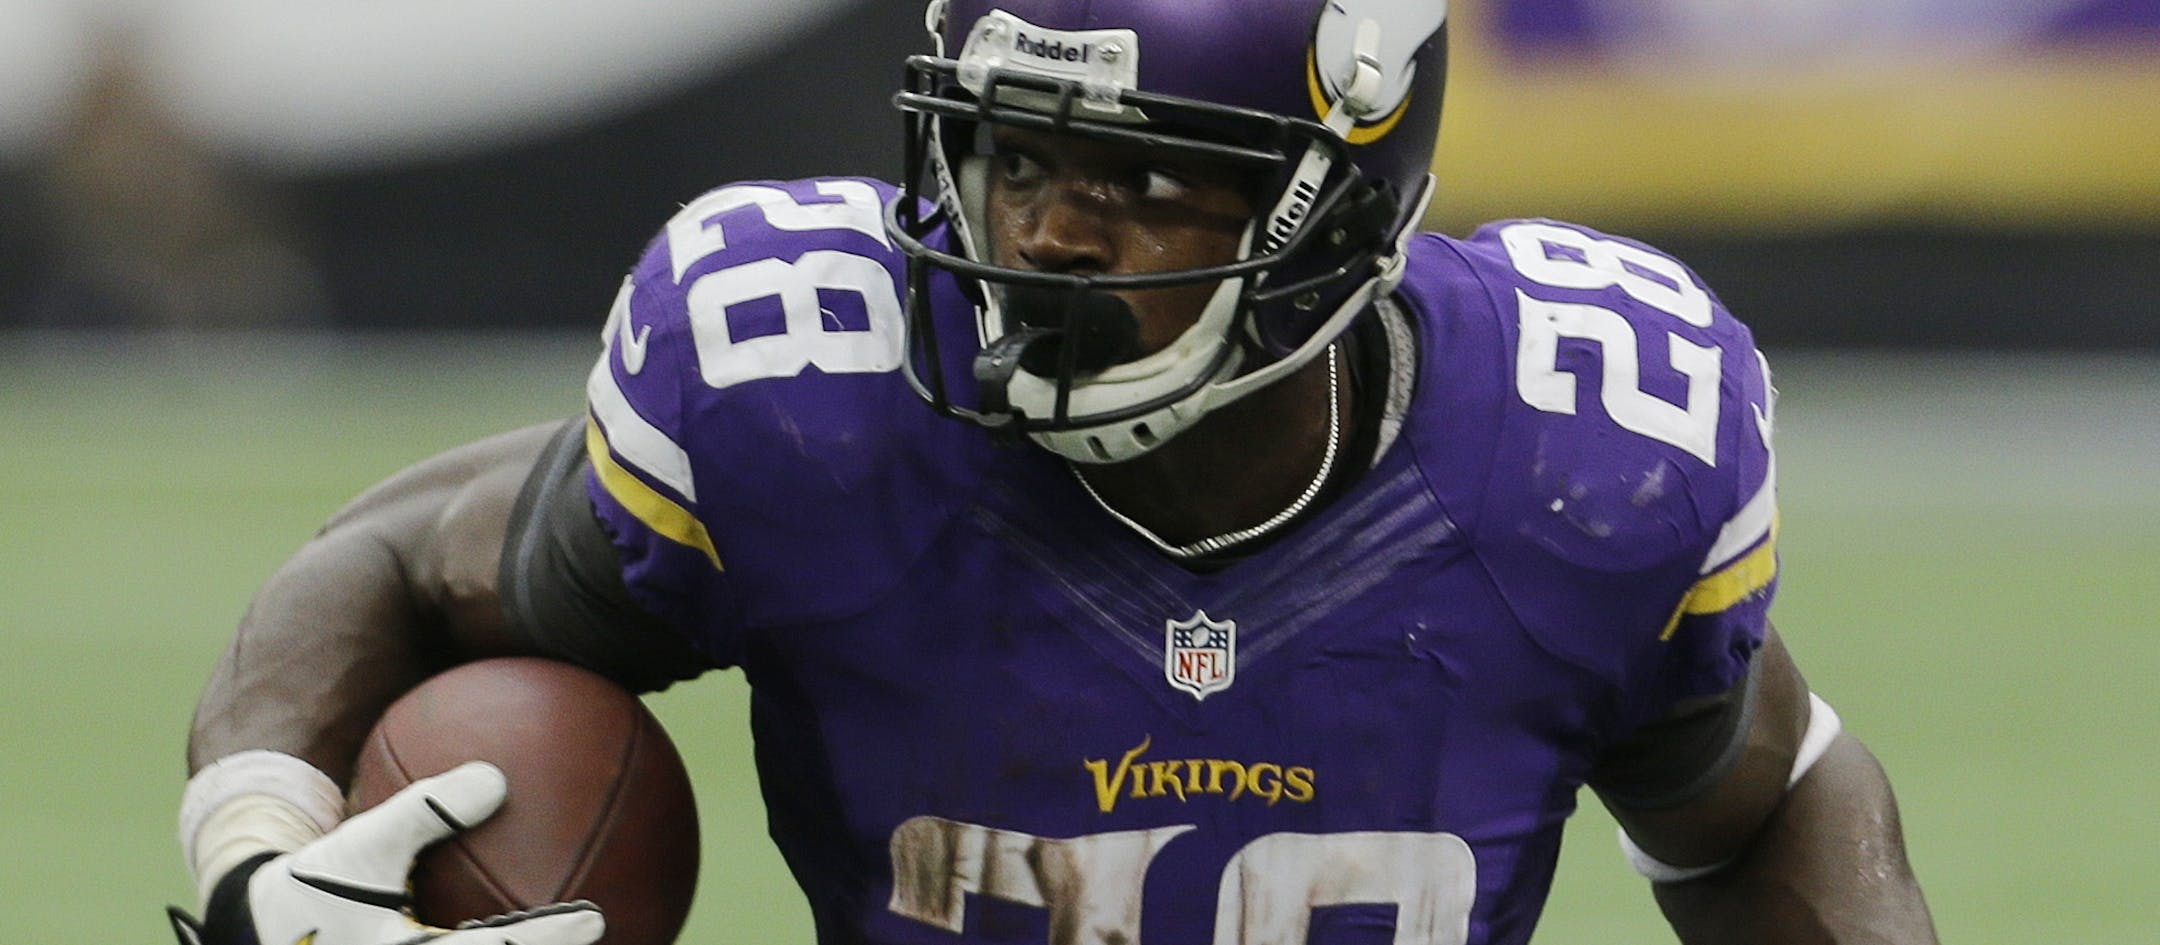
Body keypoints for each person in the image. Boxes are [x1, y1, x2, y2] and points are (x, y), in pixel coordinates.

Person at [168, 2, 1939, 943]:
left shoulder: (1586, 462)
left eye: (1146, 181)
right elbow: (401, 560)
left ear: (1341, 206)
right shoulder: (806, 393)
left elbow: (1765, 794)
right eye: (1015, 154)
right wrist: (259, 842)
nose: (1048, 236)